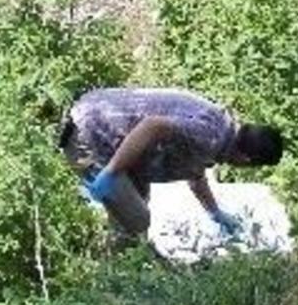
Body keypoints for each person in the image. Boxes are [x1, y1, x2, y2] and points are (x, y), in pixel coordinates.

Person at [59, 87, 284, 243]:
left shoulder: (222, 129)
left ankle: (128, 263)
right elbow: (153, 126)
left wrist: (215, 213)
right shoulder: (210, 136)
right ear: (246, 160)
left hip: (97, 115)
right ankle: (116, 281)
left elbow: (195, 174)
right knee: (137, 220)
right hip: (89, 134)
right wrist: (111, 173)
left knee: (138, 203)